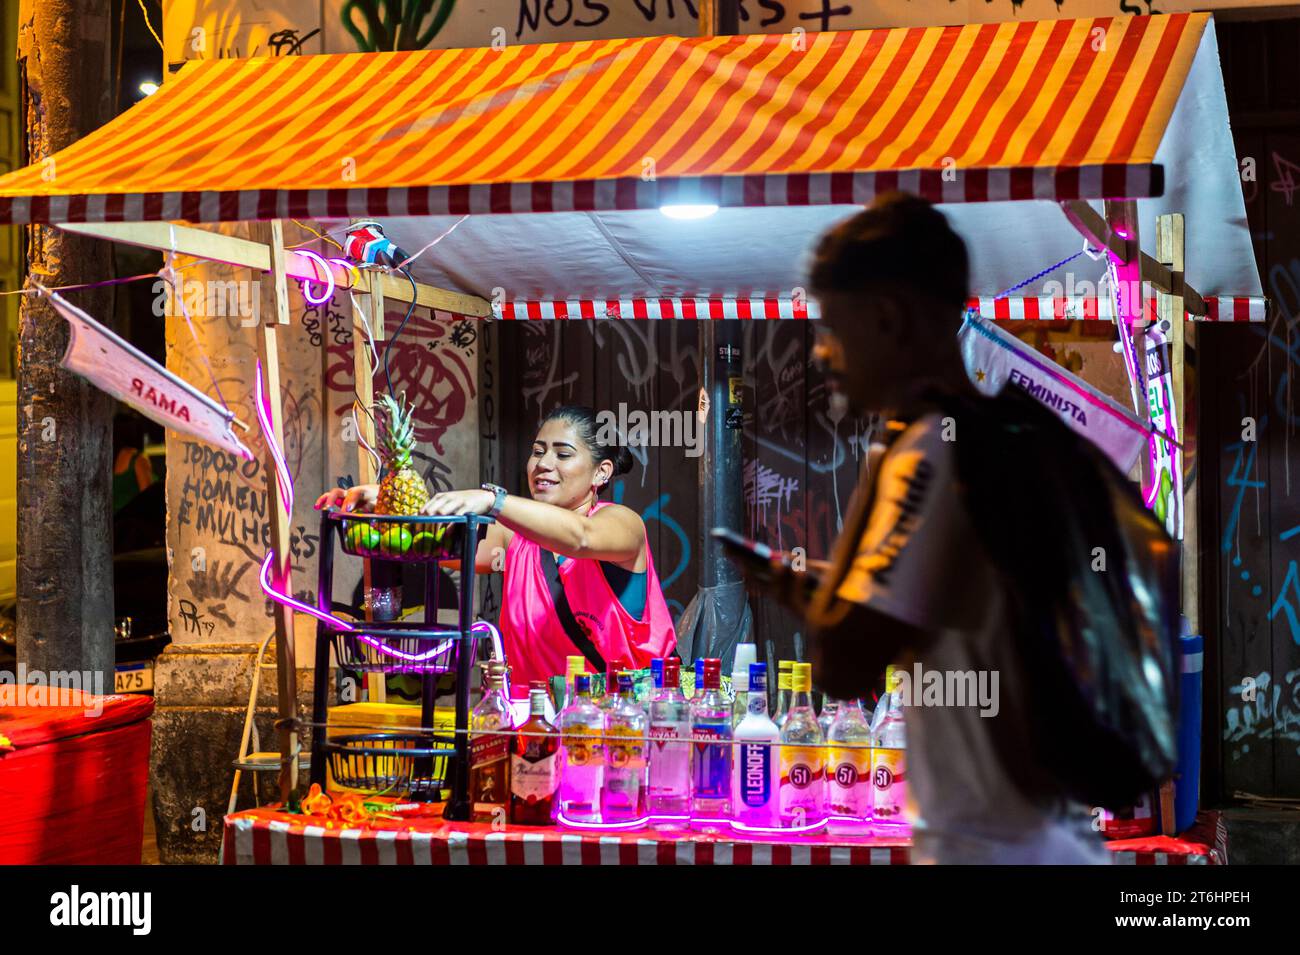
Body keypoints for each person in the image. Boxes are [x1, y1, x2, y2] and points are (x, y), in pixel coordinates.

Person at [769, 193, 1111, 864]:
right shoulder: (1004, 438)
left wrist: (880, 462)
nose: (820, 354)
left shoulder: (931, 448)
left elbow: (843, 663)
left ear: (889, 319)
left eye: (831, 328)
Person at [315, 405, 677, 688]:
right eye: (538, 451)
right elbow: (435, 538)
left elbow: (581, 538)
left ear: (601, 473)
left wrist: (493, 500)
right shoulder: (513, 538)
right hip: (531, 733)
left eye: (563, 454)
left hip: (616, 733)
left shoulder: (623, 524)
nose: (543, 464)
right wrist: (383, 502)